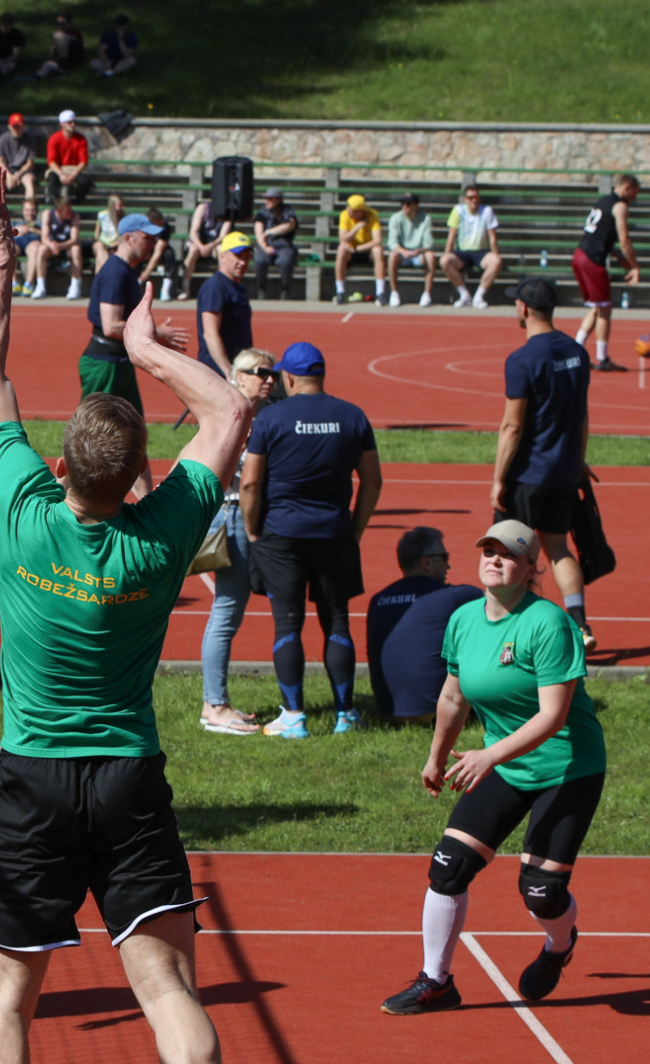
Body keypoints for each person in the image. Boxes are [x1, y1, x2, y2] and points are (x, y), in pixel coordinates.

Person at [0, 172, 251, 1064]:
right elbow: (231, 407)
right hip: (128, 778)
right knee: (166, 990)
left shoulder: (20, 510)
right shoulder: (161, 538)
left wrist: (4, 256)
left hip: (33, 779)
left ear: (57, 464)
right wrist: (143, 343)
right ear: (137, 481)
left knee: (5, 1006)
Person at [379, 520, 605, 1016]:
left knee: (541, 893)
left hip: (566, 766)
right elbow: (453, 696)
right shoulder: (463, 620)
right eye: (488, 550)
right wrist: (437, 757)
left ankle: (558, 946)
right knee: (447, 867)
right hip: (506, 763)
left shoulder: (547, 623)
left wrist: (488, 754)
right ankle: (435, 981)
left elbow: (553, 716)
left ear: (530, 569)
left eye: (508, 554)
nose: (494, 559)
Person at [241, 341, 382, 738]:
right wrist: (355, 527)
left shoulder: (271, 419)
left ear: (288, 377)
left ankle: (294, 717)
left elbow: (251, 482)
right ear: (321, 374)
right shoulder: (352, 416)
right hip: (334, 531)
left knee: (287, 623)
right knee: (337, 620)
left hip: (280, 533)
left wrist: (253, 528)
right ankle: (346, 715)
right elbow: (372, 480)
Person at [491, 276, 597, 651]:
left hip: (529, 473)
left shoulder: (522, 359)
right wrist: (580, 460)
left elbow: (512, 426)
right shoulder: (577, 353)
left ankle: (506, 632)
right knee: (558, 547)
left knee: (506, 552)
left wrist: (498, 480)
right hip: (565, 470)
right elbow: (582, 415)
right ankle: (581, 627)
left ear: (523, 308)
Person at [79, 213, 190, 498]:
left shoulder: (126, 271)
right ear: (128, 238)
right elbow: (110, 324)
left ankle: (146, 501)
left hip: (118, 362)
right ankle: (66, 494)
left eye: (154, 238)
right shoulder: (116, 272)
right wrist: (158, 336)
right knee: (88, 436)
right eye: (147, 238)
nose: (152, 244)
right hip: (104, 365)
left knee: (135, 433)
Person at [199, 347, 277, 736]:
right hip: (233, 515)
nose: (267, 378)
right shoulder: (233, 416)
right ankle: (214, 705)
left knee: (229, 610)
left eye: (271, 372)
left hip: (240, 514)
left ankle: (215, 702)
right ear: (237, 377)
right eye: (258, 372)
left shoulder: (257, 415)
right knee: (227, 610)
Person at [365, 528, 481, 720]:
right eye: (444, 557)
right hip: (437, 712)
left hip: (388, 711)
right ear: (426, 562)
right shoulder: (455, 596)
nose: (448, 566)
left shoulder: (378, 599)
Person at [571, 174, 640, 372]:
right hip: (592, 259)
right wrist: (635, 266)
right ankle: (602, 358)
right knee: (604, 310)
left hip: (580, 254)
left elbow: (601, 234)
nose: (635, 198)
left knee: (596, 307)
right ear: (627, 187)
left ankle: (576, 350)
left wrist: (618, 256)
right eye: (635, 193)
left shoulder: (602, 201)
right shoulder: (620, 207)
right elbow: (625, 240)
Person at [196, 231, 254, 377]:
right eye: (238, 256)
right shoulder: (215, 287)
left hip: (237, 367)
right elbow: (210, 333)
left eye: (247, 257)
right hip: (217, 371)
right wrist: (227, 371)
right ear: (222, 256)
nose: (243, 262)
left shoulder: (239, 288)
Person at [441, 185, 502, 308]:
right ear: (465, 199)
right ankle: (464, 295)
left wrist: (496, 254)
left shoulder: (487, 211)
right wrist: (447, 253)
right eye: (470, 197)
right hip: (462, 253)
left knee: (496, 261)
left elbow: (492, 237)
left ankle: (478, 297)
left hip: (482, 252)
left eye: (476, 197)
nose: (474, 200)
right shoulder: (458, 210)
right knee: (444, 261)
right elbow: (451, 236)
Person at [334, 193, 386, 305]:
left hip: (366, 250)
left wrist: (359, 249)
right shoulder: (344, 215)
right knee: (341, 249)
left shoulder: (373, 215)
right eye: (348, 207)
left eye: (352, 209)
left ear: (360, 211)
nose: (349, 211)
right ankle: (340, 292)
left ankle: (380, 293)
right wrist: (357, 227)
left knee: (378, 250)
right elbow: (343, 239)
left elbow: (377, 240)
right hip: (351, 251)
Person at [386, 193, 437, 307]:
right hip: (402, 253)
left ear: (416, 205)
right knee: (392, 256)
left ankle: (427, 294)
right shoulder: (395, 218)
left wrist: (420, 250)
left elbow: (428, 242)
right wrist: (403, 251)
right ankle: (394, 293)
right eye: (403, 203)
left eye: (408, 204)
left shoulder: (425, 219)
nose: (405, 206)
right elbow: (392, 242)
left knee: (430, 257)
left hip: (419, 253)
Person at [245, 187, 296, 300]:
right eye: (266, 198)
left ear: (278, 200)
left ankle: (285, 289)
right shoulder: (262, 212)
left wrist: (270, 231)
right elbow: (259, 233)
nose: (267, 201)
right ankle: (261, 288)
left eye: (270, 198)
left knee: (285, 261)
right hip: (265, 244)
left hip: (284, 245)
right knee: (259, 260)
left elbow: (290, 225)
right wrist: (265, 246)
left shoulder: (287, 211)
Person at [32, 194, 82, 300]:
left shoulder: (75, 216)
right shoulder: (48, 214)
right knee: (41, 249)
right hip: (52, 246)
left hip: (67, 246)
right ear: (59, 211)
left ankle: (75, 286)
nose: (70, 212)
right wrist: (52, 245)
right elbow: (44, 237)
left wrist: (61, 246)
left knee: (76, 249)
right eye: (67, 211)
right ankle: (40, 286)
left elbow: (74, 239)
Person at [178, 199, 229, 299]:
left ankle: (223, 288)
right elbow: (193, 232)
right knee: (193, 250)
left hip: (215, 245)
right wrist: (202, 246)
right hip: (199, 243)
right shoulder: (203, 208)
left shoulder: (228, 212)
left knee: (222, 250)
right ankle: (185, 287)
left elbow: (223, 236)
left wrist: (210, 246)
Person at [45, 109, 90, 203]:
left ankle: (78, 203)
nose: (73, 124)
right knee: (52, 178)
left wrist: (73, 174)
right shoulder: (54, 139)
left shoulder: (81, 139)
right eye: (70, 122)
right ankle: (53, 203)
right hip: (59, 168)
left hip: (74, 169)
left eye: (74, 122)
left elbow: (83, 161)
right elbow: (51, 161)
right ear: (62, 124)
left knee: (85, 182)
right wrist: (61, 174)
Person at [0, 112, 36, 201]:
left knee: (29, 182)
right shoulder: (3, 139)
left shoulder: (29, 140)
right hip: (6, 170)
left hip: (23, 170)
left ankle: (29, 209)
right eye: (14, 126)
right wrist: (9, 176)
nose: (17, 129)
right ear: (9, 126)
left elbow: (30, 163)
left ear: (23, 126)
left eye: (19, 126)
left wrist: (17, 175)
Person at [34, 11, 85, 79]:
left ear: (70, 23)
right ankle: (36, 78)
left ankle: (64, 65)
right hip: (59, 64)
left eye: (63, 23)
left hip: (72, 63)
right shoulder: (59, 35)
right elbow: (52, 53)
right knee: (47, 65)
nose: (60, 26)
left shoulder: (73, 34)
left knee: (58, 35)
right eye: (58, 23)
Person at [0, 13, 26, 79]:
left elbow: (15, 55)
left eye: (6, 25)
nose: (4, 27)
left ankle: (1, 75)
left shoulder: (17, 35)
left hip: (10, 59)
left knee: (9, 66)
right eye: (2, 25)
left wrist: (6, 61)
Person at [92, 193, 123, 271]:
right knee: (99, 247)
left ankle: (103, 277)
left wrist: (114, 245)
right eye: (120, 205)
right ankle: (108, 272)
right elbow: (97, 234)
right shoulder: (102, 215)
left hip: (115, 244)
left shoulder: (123, 219)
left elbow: (123, 237)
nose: (122, 208)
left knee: (99, 258)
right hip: (103, 243)